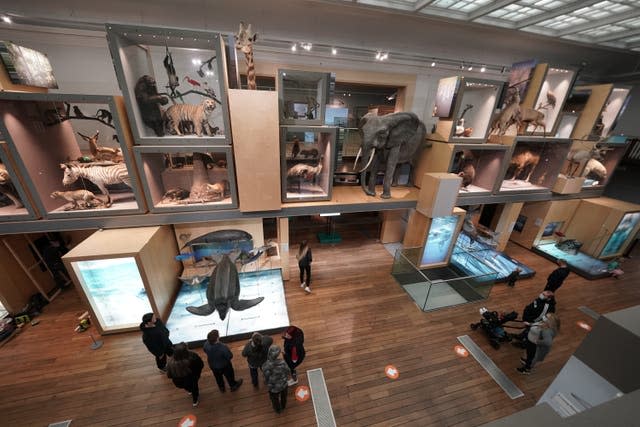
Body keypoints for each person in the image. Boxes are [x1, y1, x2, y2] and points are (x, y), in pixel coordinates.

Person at [166, 342, 204, 407]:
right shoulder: (192, 357)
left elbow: (169, 375)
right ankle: (195, 400)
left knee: (187, 387)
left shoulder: (170, 362)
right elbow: (200, 365)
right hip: (191, 379)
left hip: (178, 381)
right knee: (194, 388)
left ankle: (189, 390)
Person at [262, 345, 291, 414]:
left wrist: (266, 382)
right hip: (283, 384)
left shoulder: (265, 365)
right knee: (284, 396)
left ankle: (278, 410)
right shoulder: (283, 363)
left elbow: (266, 377)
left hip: (273, 387)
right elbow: (288, 371)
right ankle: (283, 406)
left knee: (274, 399)